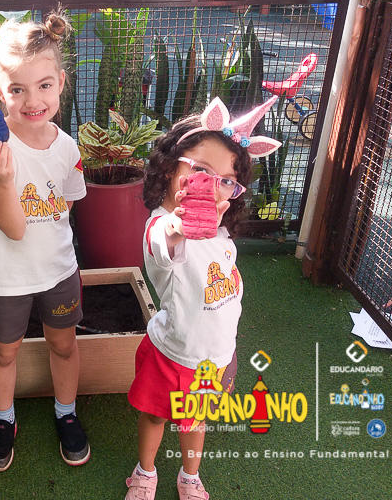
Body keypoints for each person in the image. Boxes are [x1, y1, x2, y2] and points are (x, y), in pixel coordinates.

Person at [124, 97, 281, 500]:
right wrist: (179, 224)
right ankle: (145, 471)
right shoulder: (161, 226)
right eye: (201, 171)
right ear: (170, 167)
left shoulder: (222, 235)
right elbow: (165, 242)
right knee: (155, 416)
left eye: (227, 179)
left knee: (195, 422)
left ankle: (189, 476)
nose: (212, 186)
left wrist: (229, 354)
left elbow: (228, 301)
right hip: (172, 357)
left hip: (213, 360)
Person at [0, 12, 90, 472]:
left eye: (43, 86)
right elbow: (14, 230)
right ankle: (4, 420)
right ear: (0, 93)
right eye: (17, 90)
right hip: (8, 278)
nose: (32, 100)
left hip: (58, 271)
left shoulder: (69, 149)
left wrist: (46, 233)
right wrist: (4, 181)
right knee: (4, 351)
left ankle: (66, 412)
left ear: (60, 83)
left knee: (64, 345)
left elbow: (65, 207)